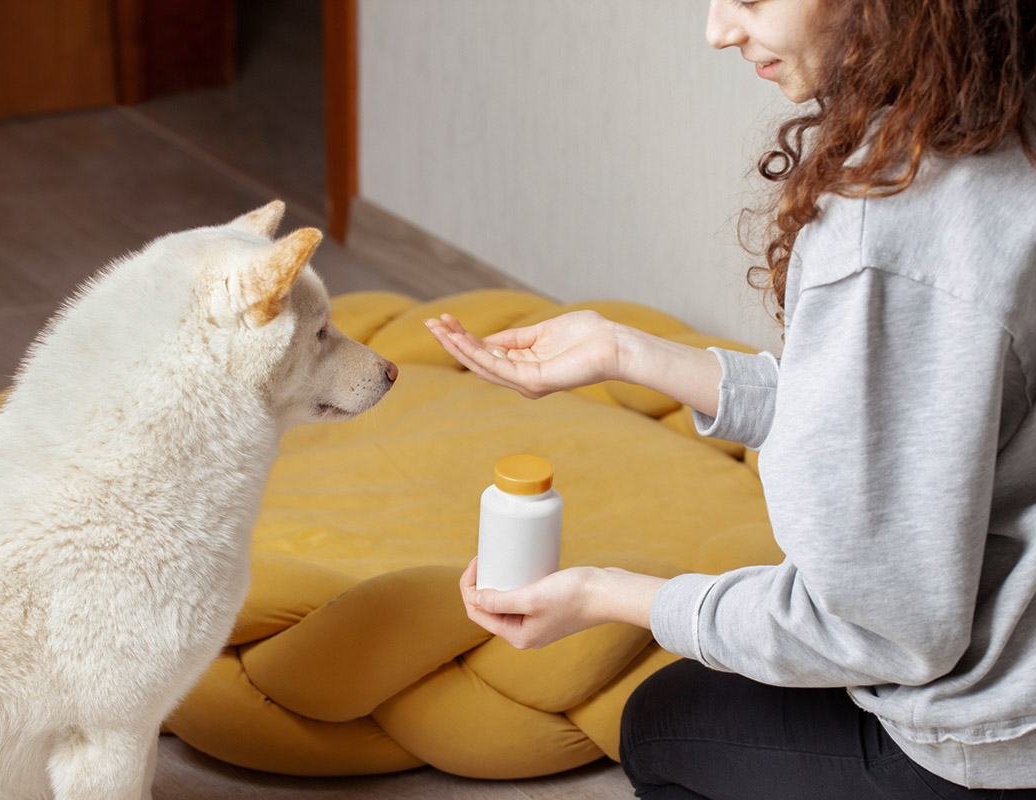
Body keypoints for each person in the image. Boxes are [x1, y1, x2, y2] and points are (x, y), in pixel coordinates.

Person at [425, 1, 1036, 797]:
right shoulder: (1000, 123)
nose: (717, 29)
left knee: (663, 727)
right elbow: (889, 415)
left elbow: (881, 630)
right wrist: (625, 352)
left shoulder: (893, 229)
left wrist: (606, 594)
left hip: (998, 738)